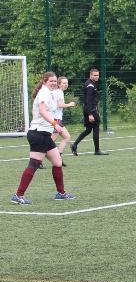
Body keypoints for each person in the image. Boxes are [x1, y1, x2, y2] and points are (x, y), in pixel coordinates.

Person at [10, 72, 76, 204]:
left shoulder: (50, 93)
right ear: (45, 81)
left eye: (55, 81)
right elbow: (42, 110)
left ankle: (61, 193)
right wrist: (54, 124)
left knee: (57, 162)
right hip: (38, 133)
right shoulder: (44, 93)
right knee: (34, 164)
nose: (53, 83)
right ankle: (18, 195)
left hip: (44, 134)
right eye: (51, 81)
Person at [70, 67, 108, 156]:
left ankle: (74, 145)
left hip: (87, 109)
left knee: (88, 130)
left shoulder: (90, 83)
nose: (96, 77)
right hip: (91, 109)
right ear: (90, 75)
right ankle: (97, 150)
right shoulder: (90, 85)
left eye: (97, 75)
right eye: (94, 75)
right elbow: (88, 100)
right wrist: (90, 114)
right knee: (96, 127)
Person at [50, 76, 76, 166]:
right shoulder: (59, 92)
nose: (66, 85)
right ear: (59, 84)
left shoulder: (55, 92)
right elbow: (60, 105)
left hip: (56, 119)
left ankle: (59, 156)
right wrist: (70, 104)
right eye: (64, 83)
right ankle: (38, 160)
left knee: (67, 137)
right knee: (50, 141)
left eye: (67, 83)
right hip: (55, 120)